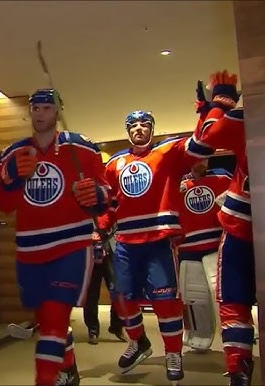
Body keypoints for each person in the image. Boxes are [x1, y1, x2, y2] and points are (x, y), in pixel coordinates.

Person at [0, 88, 111, 386]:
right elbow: (1, 204)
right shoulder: (10, 154)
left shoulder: (83, 149)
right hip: (30, 249)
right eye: (35, 108)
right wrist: (9, 180)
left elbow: (106, 195)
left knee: (55, 320)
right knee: (47, 319)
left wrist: (95, 195)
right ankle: (67, 367)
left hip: (70, 246)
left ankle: (45, 379)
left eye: (46, 108)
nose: (39, 113)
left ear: (58, 112)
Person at [103, 109, 212, 384]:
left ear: (152, 128)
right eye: (133, 126)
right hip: (127, 242)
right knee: (122, 299)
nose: (139, 129)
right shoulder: (114, 164)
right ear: (127, 132)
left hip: (158, 241)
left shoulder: (168, 152)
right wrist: (99, 227)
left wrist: (207, 113)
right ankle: (138, 341)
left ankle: (173, 354)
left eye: (144, 124)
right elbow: (108, 204)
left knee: (165, 302)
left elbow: (200, 144)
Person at [188, 70, 256, 386]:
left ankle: (238, 365)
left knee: (233, 299)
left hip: (244, 225)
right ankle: (238, 365)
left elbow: (207, 138)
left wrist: (218, 104)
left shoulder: (251, 113)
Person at [176, 159, 231, 352]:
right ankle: (198, 334)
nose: (199, 162)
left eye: (203, 158)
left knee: (224, 294)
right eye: (194, 158)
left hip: (217, 246)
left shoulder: (222, 177)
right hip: (188, 248)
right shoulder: (176, 183)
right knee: (193, 297)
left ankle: (236, 336)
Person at [83, 232, 125, 345]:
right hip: (91, 251)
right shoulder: (87, 214)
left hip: (112, 251)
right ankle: (92, 330)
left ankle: (117, 326)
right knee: (91, 294)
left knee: (118, 291)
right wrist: (88, 235)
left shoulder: (112, 214)